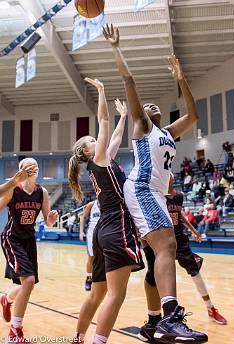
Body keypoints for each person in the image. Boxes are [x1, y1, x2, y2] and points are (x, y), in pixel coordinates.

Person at [104, 23, 207, 343]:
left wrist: (181, 79)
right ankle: (169, 319)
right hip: (144, 189)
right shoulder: (143, 126)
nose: (150, 107)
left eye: (153, 106)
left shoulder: (168, 132)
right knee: (167, 246)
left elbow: (193, 115)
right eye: (146, 106)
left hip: (156, 195)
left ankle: (156, 322)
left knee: (160, 256)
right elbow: (129, 81)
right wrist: (116, 48)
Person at [68, 78, 143, 344]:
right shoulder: (98, 159)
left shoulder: (103, 161)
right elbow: (103, 123)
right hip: (116, 227)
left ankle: (77, 338)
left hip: (103, 232)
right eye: (92, 140)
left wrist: (123, 117)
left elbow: (113, 136)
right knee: (116, 294)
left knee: (97, 294)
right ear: (88, 151)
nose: (96, 138)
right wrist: (101, 91)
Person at [138, 174, 227, 342]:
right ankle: (155, 320)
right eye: (168, 177)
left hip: (180, 239)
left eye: (171, 177)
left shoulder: (178, 196)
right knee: (153, 274)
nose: (170, 178)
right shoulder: (156, 196)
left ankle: (211, 308)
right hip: (162, 238)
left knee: (195, 271)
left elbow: (180, 216)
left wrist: (193, 230)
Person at [0, 158, 58, 343]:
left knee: (29, 284)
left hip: (29, 240)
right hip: (12, 238)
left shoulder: (43, 192)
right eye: (29, 167)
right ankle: (15, 333)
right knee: (29, 280)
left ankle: (6, 299)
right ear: (22, 171)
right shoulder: (14, 191)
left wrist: (51, 219)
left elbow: (47, 222)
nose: (34, 169)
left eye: (36, 167)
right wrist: (12, 182)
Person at [79, 199, 100, 291]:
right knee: (91, 257)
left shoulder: (108, 202)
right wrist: (81, 231)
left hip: (104, 233)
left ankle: (101, 278)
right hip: (92, 233)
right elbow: (83, 217)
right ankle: (88, 278)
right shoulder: (91, 205)